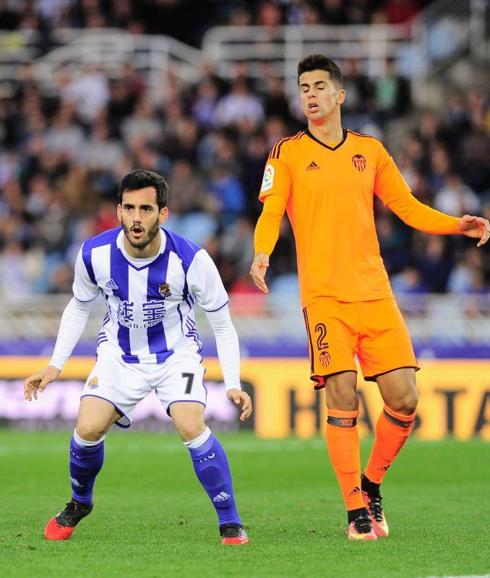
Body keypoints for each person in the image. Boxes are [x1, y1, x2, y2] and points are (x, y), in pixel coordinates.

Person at [250, 54, 490, 541]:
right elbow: (273, 210)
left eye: (319, 86)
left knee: (405, 400)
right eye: (303, 88)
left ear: (339, 95)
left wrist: (456, 225)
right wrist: (261, 254)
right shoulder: (286, 152)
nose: (310, 94)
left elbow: (406, 206)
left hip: (375, 294)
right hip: (325, 299)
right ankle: (354, 510)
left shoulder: (370, 150)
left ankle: (371, 482)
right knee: (341, 394)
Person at [24, 169, 252, 545]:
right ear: (118, 211)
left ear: (163, 214)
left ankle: (230, 521)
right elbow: (79, 307)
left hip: (175, 355)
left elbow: (223, 324)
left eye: (146, 209)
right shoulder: (94, 254)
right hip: (118, 354)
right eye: (128, 208)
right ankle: (80, 502)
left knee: (190, 424)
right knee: (87, 430)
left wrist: (232, 383)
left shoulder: (191, 260)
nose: (136, 218)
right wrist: (54, 365)